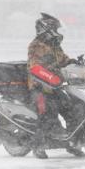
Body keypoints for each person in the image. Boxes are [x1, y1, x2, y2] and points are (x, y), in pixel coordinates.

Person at [27, 12, 72, 159]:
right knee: (46, 112)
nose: (58, 32)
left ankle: (71, 143)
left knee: (70, 107)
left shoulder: (54, 45)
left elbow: (64, 59)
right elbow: (34, 67)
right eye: (56, 29)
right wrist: (49, 72)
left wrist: (74, 63)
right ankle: (37, 145)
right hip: (39, 86)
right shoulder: (36, 45)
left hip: (54, 85)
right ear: (47, 29)